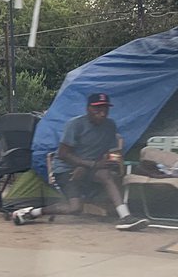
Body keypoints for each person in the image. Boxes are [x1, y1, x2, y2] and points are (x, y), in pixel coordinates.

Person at [14, 92, 147, 230]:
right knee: (75, 208)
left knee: (107, 176)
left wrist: (113, 162)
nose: (102, 113)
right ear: (88, 108)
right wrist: (89, 165)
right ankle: (33, 212)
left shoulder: (109, 126)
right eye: (97, 109)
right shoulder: (75, 125)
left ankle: (125, 217)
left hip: (88, 167)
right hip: (66, 170)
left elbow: (111, 151)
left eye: (105, 109)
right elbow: (63, 154)